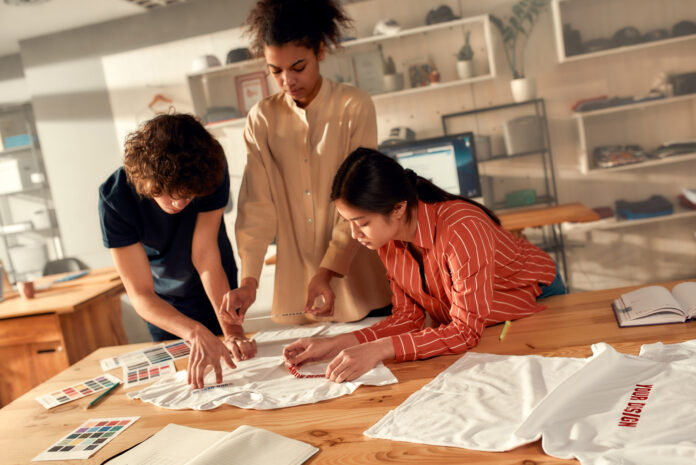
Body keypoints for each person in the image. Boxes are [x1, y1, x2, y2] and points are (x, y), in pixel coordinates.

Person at [283, 148, 567, 382]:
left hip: (536, 293)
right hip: (485, 317)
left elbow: (465, 332)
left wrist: (378, 350)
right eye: (348, 223)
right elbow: (407, 318)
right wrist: (334, 344)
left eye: (362, 223)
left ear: (398, 208)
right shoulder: (388, 240)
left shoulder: (462, 228)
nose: (355, 235)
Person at [228, 0, 391, 324]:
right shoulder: (262, 119)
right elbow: (256, 206)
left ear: (320, 51)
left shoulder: (353, 106)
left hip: (361, 282)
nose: (287, 80)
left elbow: (362, 197)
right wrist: (249, 281)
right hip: (298, 290)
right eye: (276, 71)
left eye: (298, 67)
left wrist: (327, 271)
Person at [98, 113, 256, 389]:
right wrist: (192, 331)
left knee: (237, 376)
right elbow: (140, 293)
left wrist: (232, 332)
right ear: (147, 181)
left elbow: (205, 256)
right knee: (184, 384)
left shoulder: (208, 168)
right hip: (162, 302)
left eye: (188, 196)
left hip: (216, 285)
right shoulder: (116, 199)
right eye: (169, 194)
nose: (179, 204)